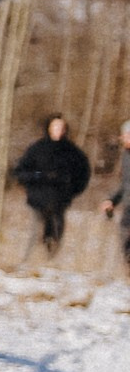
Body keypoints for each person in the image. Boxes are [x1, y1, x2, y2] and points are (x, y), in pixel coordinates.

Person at [11, 115, 91, 257]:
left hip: (60, 202)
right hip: (37, 201)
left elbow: (83, 173)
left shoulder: (72, 152)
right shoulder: (36, 149)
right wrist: (39, 177)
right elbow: (20, 172)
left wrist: (72, 191)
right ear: (48, 128)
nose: (58, 130)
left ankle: (50, 260)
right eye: (55, 126)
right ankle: (31, 261)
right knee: (37, 233)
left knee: (55, 236)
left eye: (61, 127)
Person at [102, 119, 130, 271]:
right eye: (123, 135)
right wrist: (112, 200)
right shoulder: (126, 155)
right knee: (125, 240)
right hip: (128, 206)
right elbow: (126, 184)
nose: (123, 138)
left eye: (127, 135)